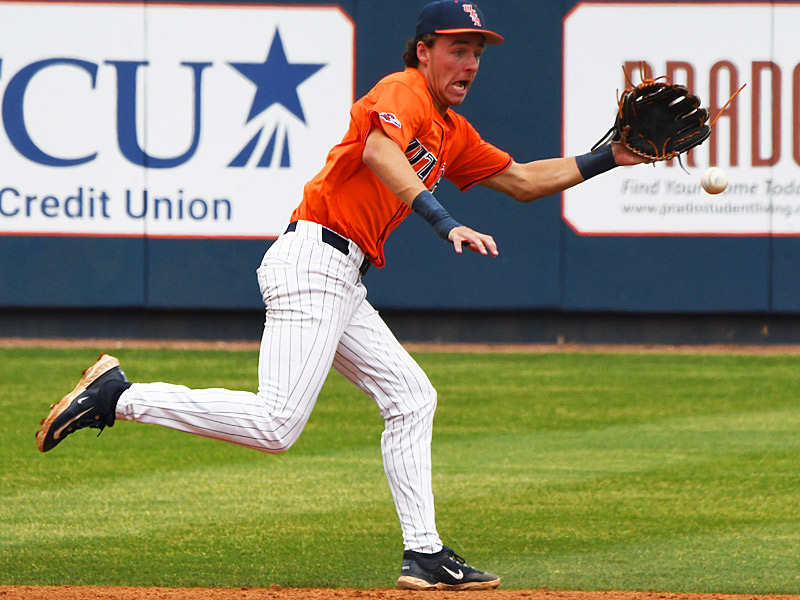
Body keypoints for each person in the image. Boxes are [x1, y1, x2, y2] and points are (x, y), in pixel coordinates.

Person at [36, 0, 645, 591]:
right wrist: (443, 220)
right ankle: (120, 397)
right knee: (277, 424)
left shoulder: (452, 131)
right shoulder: (402, 91)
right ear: (424, 51)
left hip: (341, 276)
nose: (470, 64)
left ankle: (425, 555)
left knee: (412, 398)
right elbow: (381, 151)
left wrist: (608, 157)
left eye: (478, 52)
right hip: (313, 261)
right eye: (458, 49)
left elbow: (521, 180)